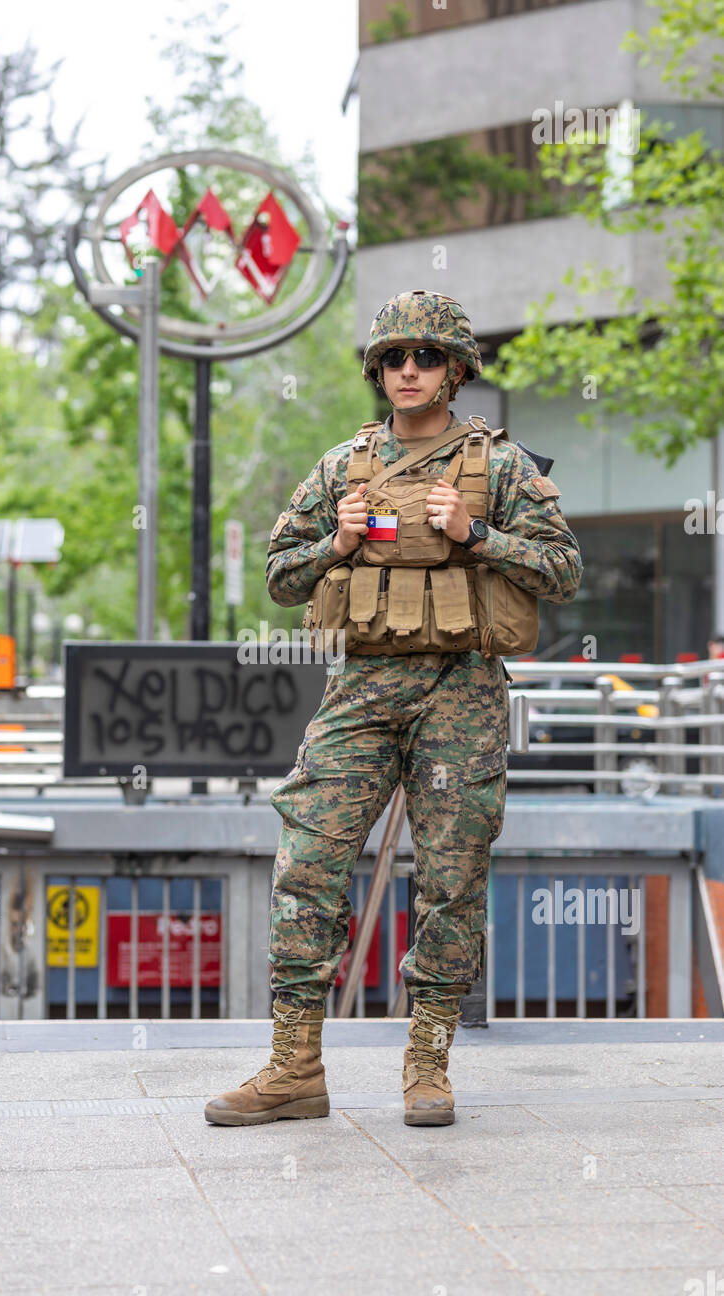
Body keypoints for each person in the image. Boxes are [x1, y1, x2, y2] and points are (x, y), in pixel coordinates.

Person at [205, 290, 583, 1129]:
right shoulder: (345, 465)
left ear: (455, 370)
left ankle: (429, 1061)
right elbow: (280, 575)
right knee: (307, 862)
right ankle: (295, 1065)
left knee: (452, 876)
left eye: (425, 358)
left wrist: (479, 535)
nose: (408, 371)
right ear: (379, 372)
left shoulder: (502, 466)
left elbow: (561, 570)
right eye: (394, 360)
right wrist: (335, 543)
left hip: (462, 692)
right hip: (363, 691)